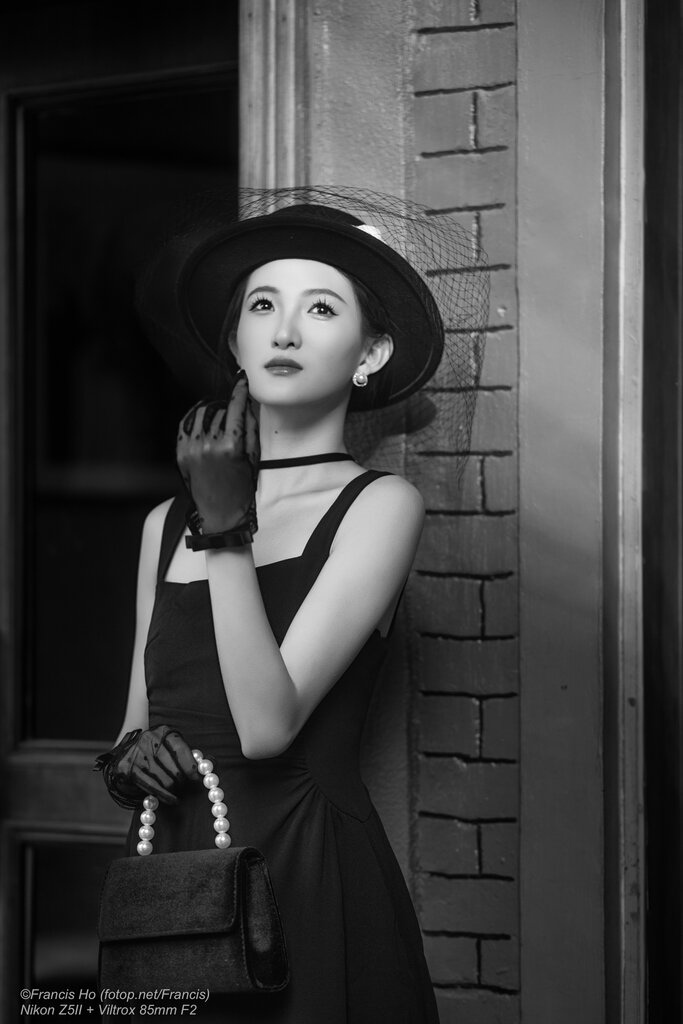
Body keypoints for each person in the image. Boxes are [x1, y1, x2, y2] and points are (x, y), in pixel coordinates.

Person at [96, 188, 487, 1023]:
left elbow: (266, 730)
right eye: (263, 306)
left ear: (369, 352)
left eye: (320, 309)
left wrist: (225, 529)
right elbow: (134, 723)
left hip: (303, 871)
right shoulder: (164, 523)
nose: (283, 332)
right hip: (174, 876)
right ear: (235, 343)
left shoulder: (380, 506)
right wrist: (130, 761)